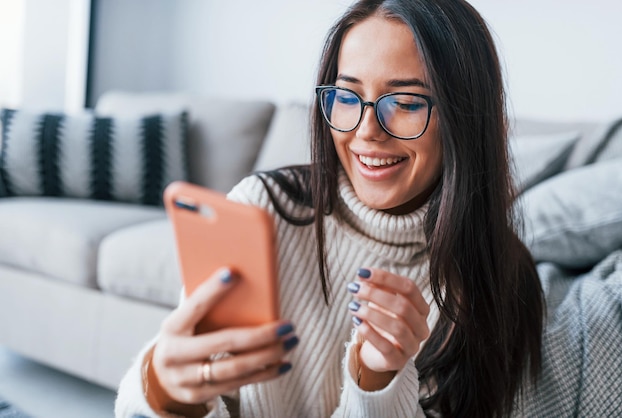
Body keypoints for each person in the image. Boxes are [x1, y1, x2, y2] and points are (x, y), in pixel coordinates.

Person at [115, 0, 544, 417]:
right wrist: (167, 392)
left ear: (465, 117)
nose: (367, 130)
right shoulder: (263, 210)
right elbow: (178, 388)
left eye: (408, 103)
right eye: (346, 96)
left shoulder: (498, 280)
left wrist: (377, 379)